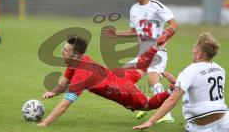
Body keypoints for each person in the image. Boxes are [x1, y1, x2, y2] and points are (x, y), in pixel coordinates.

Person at [37, 36, 175, 127]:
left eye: (65, 50)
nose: (62, 51)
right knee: (141, 66)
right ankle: (156, 46)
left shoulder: (82, 75)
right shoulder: (77, 60)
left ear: (77, 55)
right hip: (120, 75)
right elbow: (64, 82)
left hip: (121, 90)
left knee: (148, 105)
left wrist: (44, 123)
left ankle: (172, 90)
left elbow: (64, 105)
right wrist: (53, 92)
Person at [102, 0, 177, 121]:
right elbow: (133, 32)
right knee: (121, 77)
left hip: (157, 52)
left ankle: (166, 114)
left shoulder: (157, 7)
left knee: (152, 80)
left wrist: (165, 36)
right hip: (142, 53)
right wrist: (116, 34)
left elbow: (173, 25)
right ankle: (142, 104)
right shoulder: (134, 9)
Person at [133, 33, 228, 132]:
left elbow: (172, 100)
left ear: (199, 54)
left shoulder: (190, 70)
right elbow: (202, 88)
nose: (193, 51)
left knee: (189, 125)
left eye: (194, 49)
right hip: (224, 121)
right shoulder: (220, 69)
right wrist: (176, 81)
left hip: (202, 128)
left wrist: (150, 121)